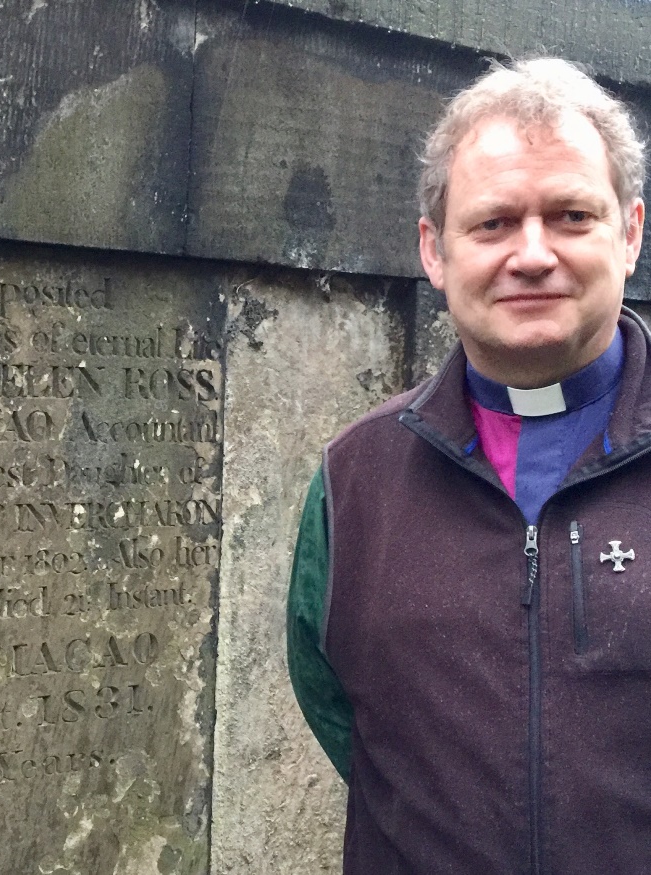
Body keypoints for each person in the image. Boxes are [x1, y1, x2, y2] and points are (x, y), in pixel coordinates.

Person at [287, 57, 651, 874]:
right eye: (491, 224)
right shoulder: (354, 479)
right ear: (434, 249)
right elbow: (334, 700)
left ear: (628, 233)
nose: (530, 254)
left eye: (569, 216)